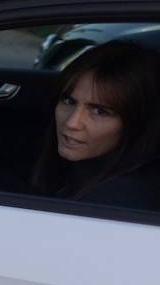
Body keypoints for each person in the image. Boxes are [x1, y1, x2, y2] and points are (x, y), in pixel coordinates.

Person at [32, 41, 160, 210]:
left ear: (137, 123)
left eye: (100, 112)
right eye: (68, 101)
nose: (72, 123)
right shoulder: (86, 174)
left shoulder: (118, 200)